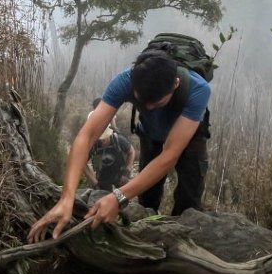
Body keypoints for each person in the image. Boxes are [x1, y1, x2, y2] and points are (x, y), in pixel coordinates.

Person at [27, 49, 210, 242]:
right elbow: (87, 136)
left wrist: (118, 197)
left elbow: (169, 155)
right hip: (151, 133)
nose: (148, 108)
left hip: (189, 139)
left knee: (189, 198)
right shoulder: (124, 81)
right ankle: (150, 232)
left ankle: (182, 243)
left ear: (175, 84)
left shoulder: (198, 90)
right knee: (147, 196)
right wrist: (67, 197)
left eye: (157, 103)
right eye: (142, 102)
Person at [84, 116, 135, 190]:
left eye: (105, 138)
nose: (102, 141)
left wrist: (127, 171)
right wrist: (94, 181)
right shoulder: (93, 146)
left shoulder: (118, 140)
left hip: (120, 179)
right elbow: (82, 164)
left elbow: (131, 152)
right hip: (101, 181)